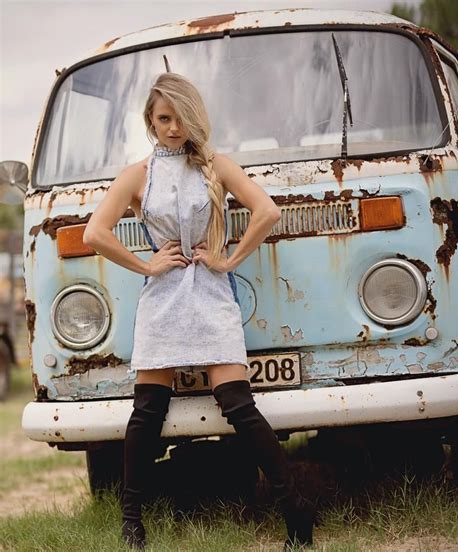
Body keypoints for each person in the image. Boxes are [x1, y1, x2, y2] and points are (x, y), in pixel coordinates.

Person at [83, 72, 315, 551]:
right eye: (164, 118)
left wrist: (228, 260)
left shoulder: (215, 166)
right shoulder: (138, 175)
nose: (173, 127)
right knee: (147, 412)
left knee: (237, 403)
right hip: (163, 298)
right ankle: (132, 521)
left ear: (194, 118)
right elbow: (94, 233)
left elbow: (266, 211)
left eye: (181, 118)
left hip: (210, 294)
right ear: (150, 120)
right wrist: (146, 265)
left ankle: (294, 505)